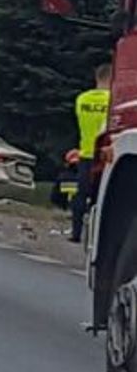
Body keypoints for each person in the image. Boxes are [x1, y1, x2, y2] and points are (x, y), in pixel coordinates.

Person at [71, 62, 111, 243]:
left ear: (96, 78)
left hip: (86, 154)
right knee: (100, 197)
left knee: (81, 195)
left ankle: (76, 232)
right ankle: (96, 237)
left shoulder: (82, 99)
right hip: (106, 156)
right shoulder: (113, 101)